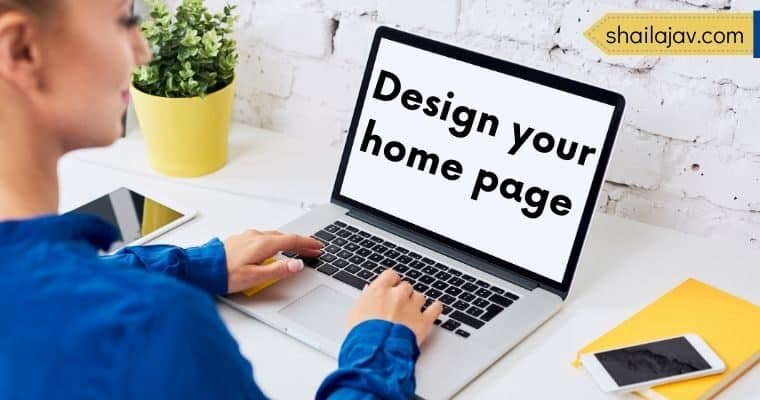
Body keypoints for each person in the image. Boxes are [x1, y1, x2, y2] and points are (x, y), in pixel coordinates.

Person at [0, 1, 443, 399]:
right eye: (122, 20)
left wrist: (193, 265)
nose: (142, 51)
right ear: (21, 49)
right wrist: (380, 351)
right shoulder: (151, 328)